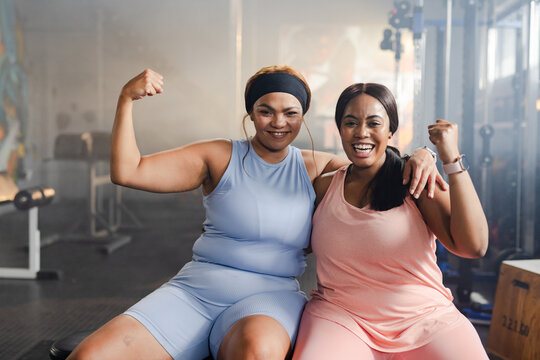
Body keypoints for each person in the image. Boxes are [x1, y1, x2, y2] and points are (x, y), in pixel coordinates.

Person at [68, 67, 443, 360]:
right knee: (90, 355)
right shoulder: (218, 155)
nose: (278, 123)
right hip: (197, 292)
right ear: (251, 113)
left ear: (303, 117)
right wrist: (125, 99)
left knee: (256, 353)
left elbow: (375, 157)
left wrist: (423, 154)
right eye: (266, 111)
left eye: (290, 113)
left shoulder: (318, 167)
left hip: (271, 296)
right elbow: (128, 170)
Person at [292, 83, 489, 360]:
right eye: (351, 123)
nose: (362, 132)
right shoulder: (323, 187)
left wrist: (449, 159)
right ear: (340, 130)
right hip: (342, 317)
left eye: (374, 123)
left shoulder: (416, 181)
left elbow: (474, 247)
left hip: (424, 319)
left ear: (390, 131)